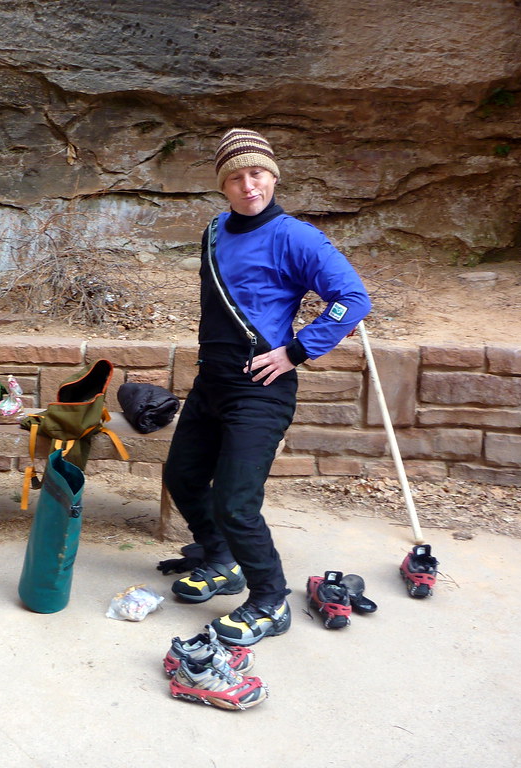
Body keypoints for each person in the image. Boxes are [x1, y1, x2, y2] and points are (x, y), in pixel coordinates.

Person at [162, 128, 372, 647]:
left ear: (273, 176)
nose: (247, 185)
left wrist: (297, 351)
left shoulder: (297, 237)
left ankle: (269, 600)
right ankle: (220, 560)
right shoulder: (213, 232)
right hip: (212, 380)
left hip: (260, 388)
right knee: (183, 476)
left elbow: (351, 298)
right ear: (223, 186)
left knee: (236, 500)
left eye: (256, 173)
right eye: (235, 177)